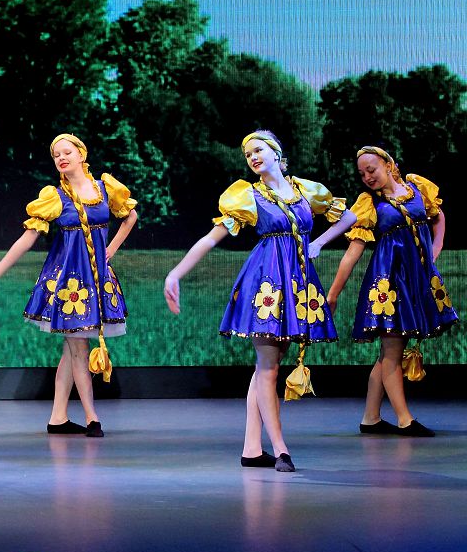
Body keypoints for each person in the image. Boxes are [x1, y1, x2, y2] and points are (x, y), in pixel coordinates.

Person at [164, 130, 355, 472]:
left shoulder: (305, 190)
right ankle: (281, 449)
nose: (252, 157)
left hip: (296, 282)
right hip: (266, 281)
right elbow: (211, 239)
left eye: (258, 150)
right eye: (247, 154)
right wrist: (175, 274)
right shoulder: (248, 196)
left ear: (276, 153)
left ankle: (252, 449)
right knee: (268, 365)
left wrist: (318, 242)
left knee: (271, 363)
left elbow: (350, 217)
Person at [0, 133, 139, 436]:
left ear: (81, 154)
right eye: (56, 155)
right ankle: (92, 417)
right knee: (78, 347)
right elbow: (28, 237)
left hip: (95, 277)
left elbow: (130, 216)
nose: (61, 158)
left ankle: (58, 417)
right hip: (68, 283)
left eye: (67, 152)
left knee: (72, 348)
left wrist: (111, 248)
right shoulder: (55, 197)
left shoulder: (105, 188)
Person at [326, 146, 456, 437]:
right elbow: (352, 253)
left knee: (389, 351)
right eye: (362, 174)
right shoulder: (369, 204)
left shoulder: (416, 188)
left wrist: (435, 249)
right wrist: (333, 294)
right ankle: (404, 419)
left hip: (415, 279)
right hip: (389, 284)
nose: (367, 177)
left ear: (388, 164)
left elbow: (438, 216)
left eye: (371, 169)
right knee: (392, 351)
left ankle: (370, 418)